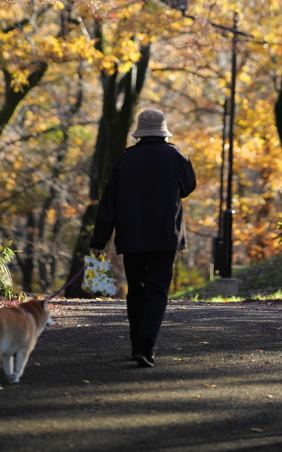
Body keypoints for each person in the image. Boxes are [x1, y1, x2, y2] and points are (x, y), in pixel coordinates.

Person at [90, 108, 196, 368]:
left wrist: (98, 240)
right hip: (164, 235)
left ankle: (137, 343)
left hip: (132, 236)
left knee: (136, 290)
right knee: (157, 291)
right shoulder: (175, 156)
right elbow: (188, 187)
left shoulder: (126, 160)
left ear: (139, 132)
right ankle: (144, 346)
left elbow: (109, 203)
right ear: (163, 131)